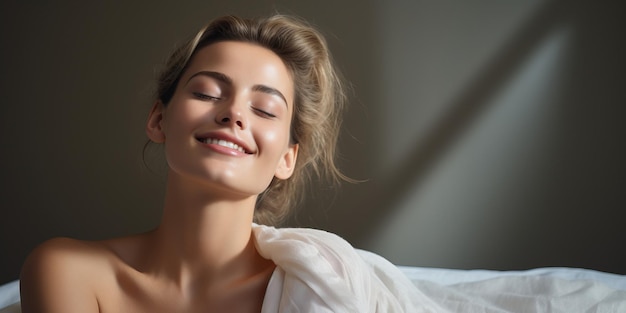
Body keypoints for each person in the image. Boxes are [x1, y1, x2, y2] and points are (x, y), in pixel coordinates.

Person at [20, 14, 429, 312]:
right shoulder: (68, 271)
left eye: (265, 109)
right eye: (207, 92)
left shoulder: (324, 284)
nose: (234, 113)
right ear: (159, 119)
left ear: (287, 158)